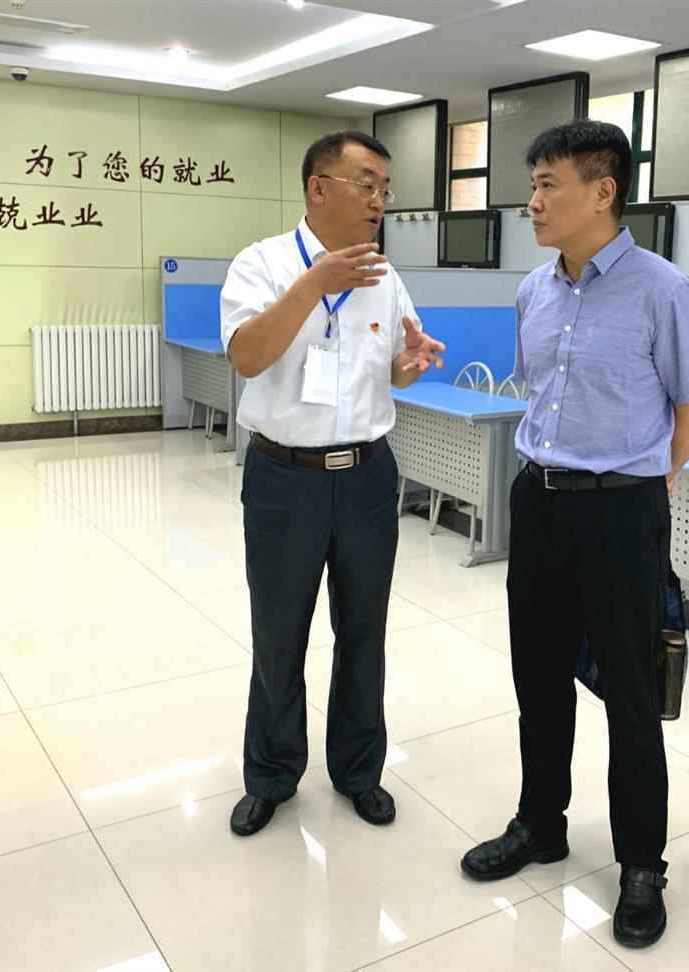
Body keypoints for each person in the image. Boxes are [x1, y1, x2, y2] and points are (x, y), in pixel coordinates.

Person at [460, 120, 689, 949]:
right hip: (538, 500)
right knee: (538, 678)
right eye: (532, 184)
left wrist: (649, 481)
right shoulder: (534, 291)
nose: (531, 202)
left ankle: (642, 864)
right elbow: (539, 392)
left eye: (548, 185)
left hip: (619, 511)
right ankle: (541, 824)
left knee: (631, 694)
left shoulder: (664, 291)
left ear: (604, 191)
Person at [220, 130, 445, 837]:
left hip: (368, 477)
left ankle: (358, 771)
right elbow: (247, 356)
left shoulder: (386, 275)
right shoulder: (261, 264)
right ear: (319, 187)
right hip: (285, 478)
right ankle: (271, 775)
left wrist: (410, 362)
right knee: (279, 634)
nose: (379, 201)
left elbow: (391, 370)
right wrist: (312, 286)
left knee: (364, 633)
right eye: (366, 184)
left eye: (385, 189)